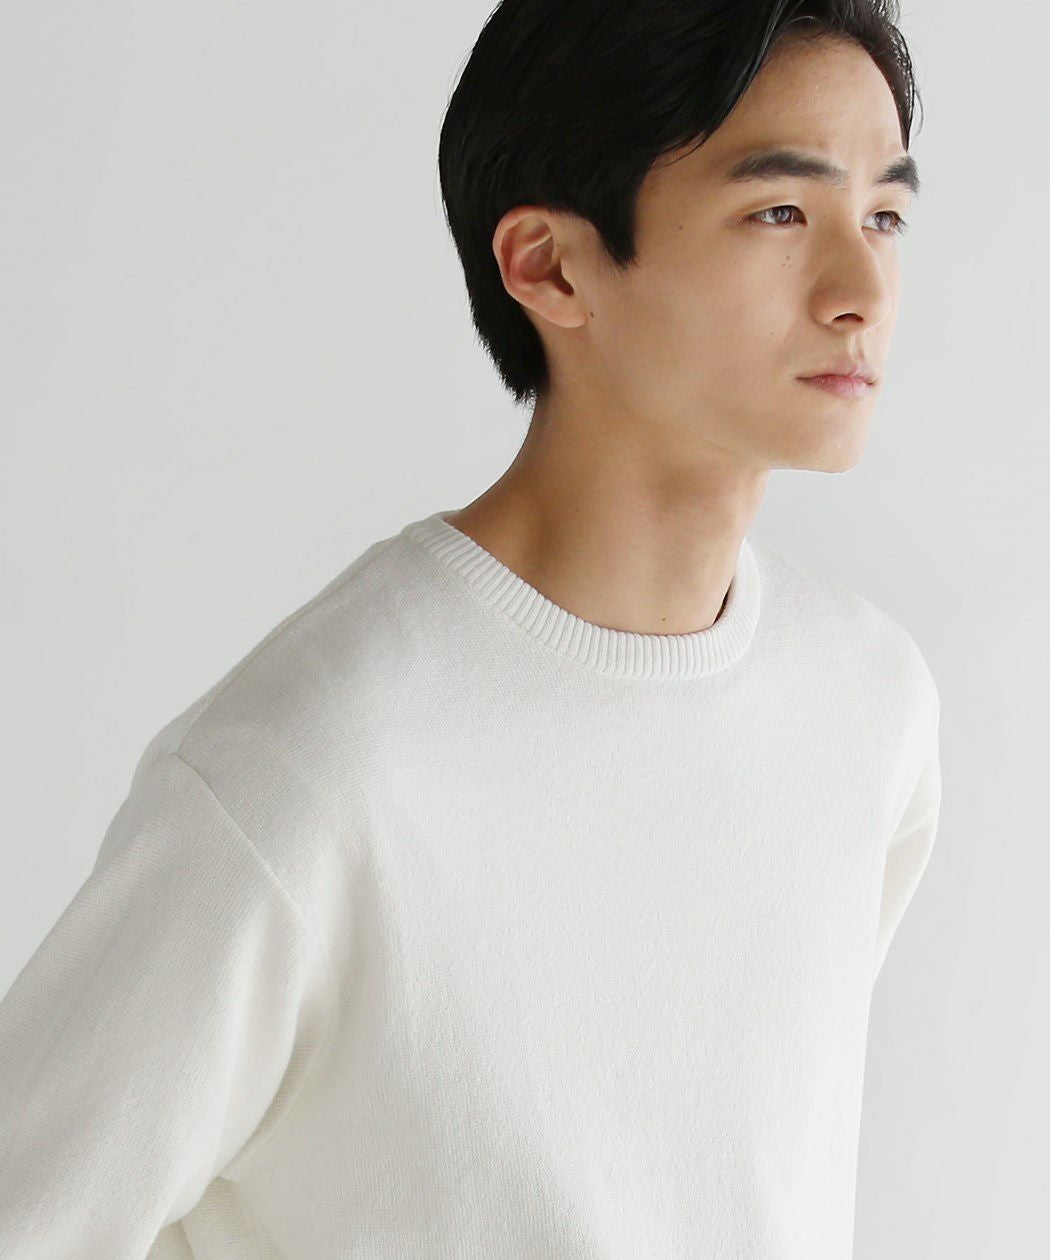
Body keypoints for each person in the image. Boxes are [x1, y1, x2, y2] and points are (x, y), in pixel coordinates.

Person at [0, 1, 943, 1256]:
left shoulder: (868, 705)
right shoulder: (311, 775)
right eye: (780, 212)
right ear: (549, 266)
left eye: (885, 216)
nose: (861, 291)